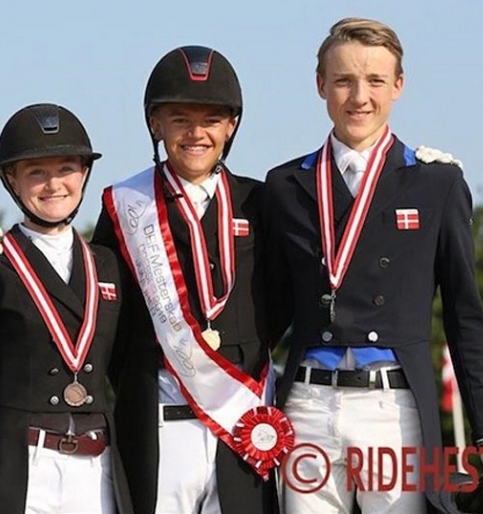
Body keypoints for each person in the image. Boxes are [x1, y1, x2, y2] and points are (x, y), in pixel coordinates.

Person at [263, 17, 483, 514]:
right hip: (308, 409)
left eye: (375, 80)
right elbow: (266, 313)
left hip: (394, 411)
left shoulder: (436, 183)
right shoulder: (285, 186)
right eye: (343, 80)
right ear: (320, 85)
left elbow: (466, 318)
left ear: (398, 85)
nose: (359, 96)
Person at [92, 45, 282, 514]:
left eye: (212, 119)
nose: (196, 133)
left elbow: (283, 300)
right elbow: (104, 318)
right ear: (155, 124)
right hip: (159, 427)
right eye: (179, 118)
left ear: (231, 126)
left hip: (244, 425)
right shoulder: (125, 206)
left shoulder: (260, 203)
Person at [0, 103, 134, 514]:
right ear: (12, 179)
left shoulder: (110, 264)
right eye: (36, 172)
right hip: (23, 469)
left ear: (84, 173)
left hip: (99, 470)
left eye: (66, 168)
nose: (53, 184)